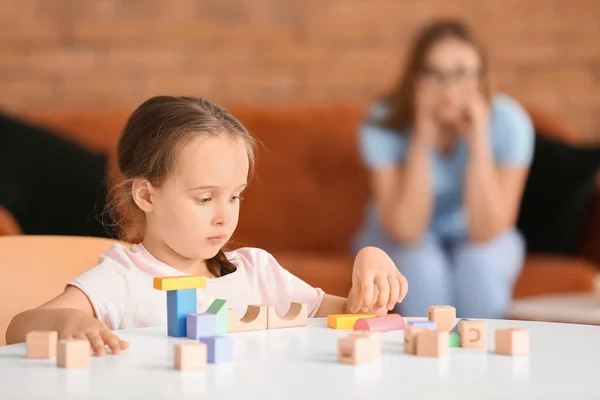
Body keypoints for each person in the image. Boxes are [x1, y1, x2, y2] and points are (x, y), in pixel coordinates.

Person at [6, 96, 407, 355]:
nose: (224, 215)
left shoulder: (256, 272)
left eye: (235, 196)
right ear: (147, 196)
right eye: (204, 198)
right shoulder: (121, 280)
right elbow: (19, 328)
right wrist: (69, 321)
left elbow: (352, 316)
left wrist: (370, 262)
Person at [352, 20, 534, 319]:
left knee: (480, 264)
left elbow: (487, 231)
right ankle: (428, 354)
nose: (449, 89)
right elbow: (407, 230)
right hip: (399, 235)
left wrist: (478, 142)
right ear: (415, 79)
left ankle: (481, 357)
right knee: (421, 265)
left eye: (461, 74)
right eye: (434, 74)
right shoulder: (382, 120)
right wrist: (422, 140)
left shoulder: (510, 122)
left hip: (477, 236)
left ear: (480, 78)